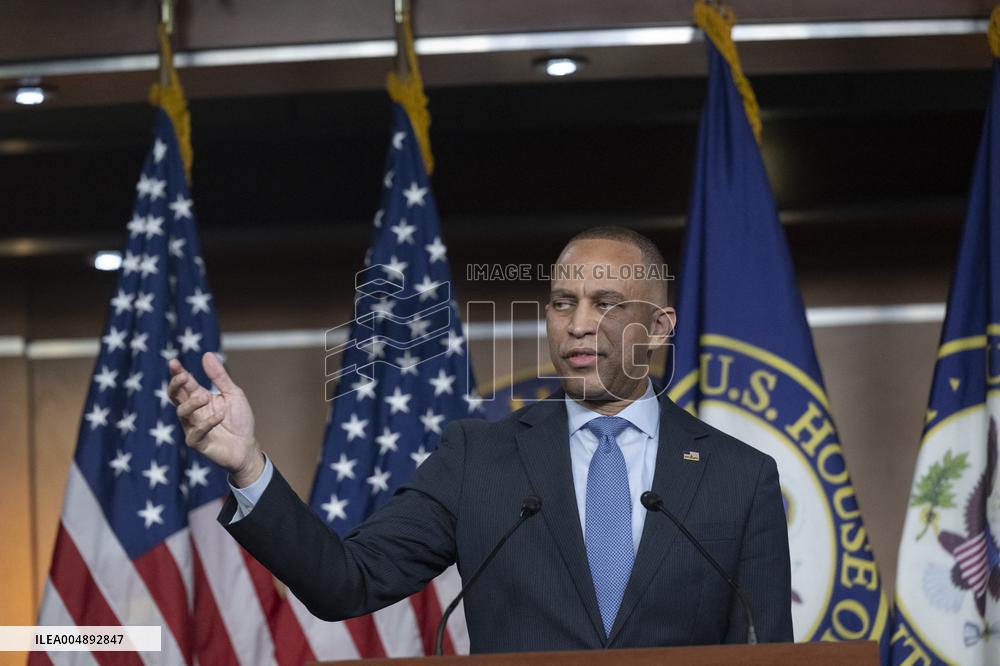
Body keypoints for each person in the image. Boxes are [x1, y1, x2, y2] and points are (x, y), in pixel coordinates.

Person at [168, 226, 793, 652]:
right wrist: (249, 466)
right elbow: (344, 583)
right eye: (561, 302)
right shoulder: (479, 459)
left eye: (606, 303)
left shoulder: (741, 475)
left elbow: (770, 653)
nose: (577, 325)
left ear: (659, 328)